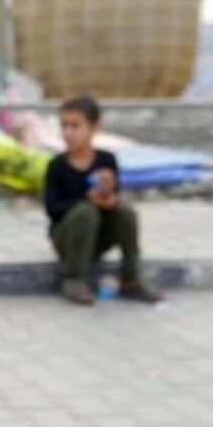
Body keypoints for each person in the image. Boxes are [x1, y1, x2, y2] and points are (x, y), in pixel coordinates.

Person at [44, 95, 164, 306]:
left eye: (75, 126)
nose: (68, 133)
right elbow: (53, 209)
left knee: (126, 213)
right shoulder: (57, 165)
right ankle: (73, 278)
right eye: (64, 126)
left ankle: (131, 277)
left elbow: (113, 196)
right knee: (85, 211)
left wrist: (109, 199)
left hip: (98, 236)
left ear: (94, 128)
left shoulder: (106, 160)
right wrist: (87, 201)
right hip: (68, 238)